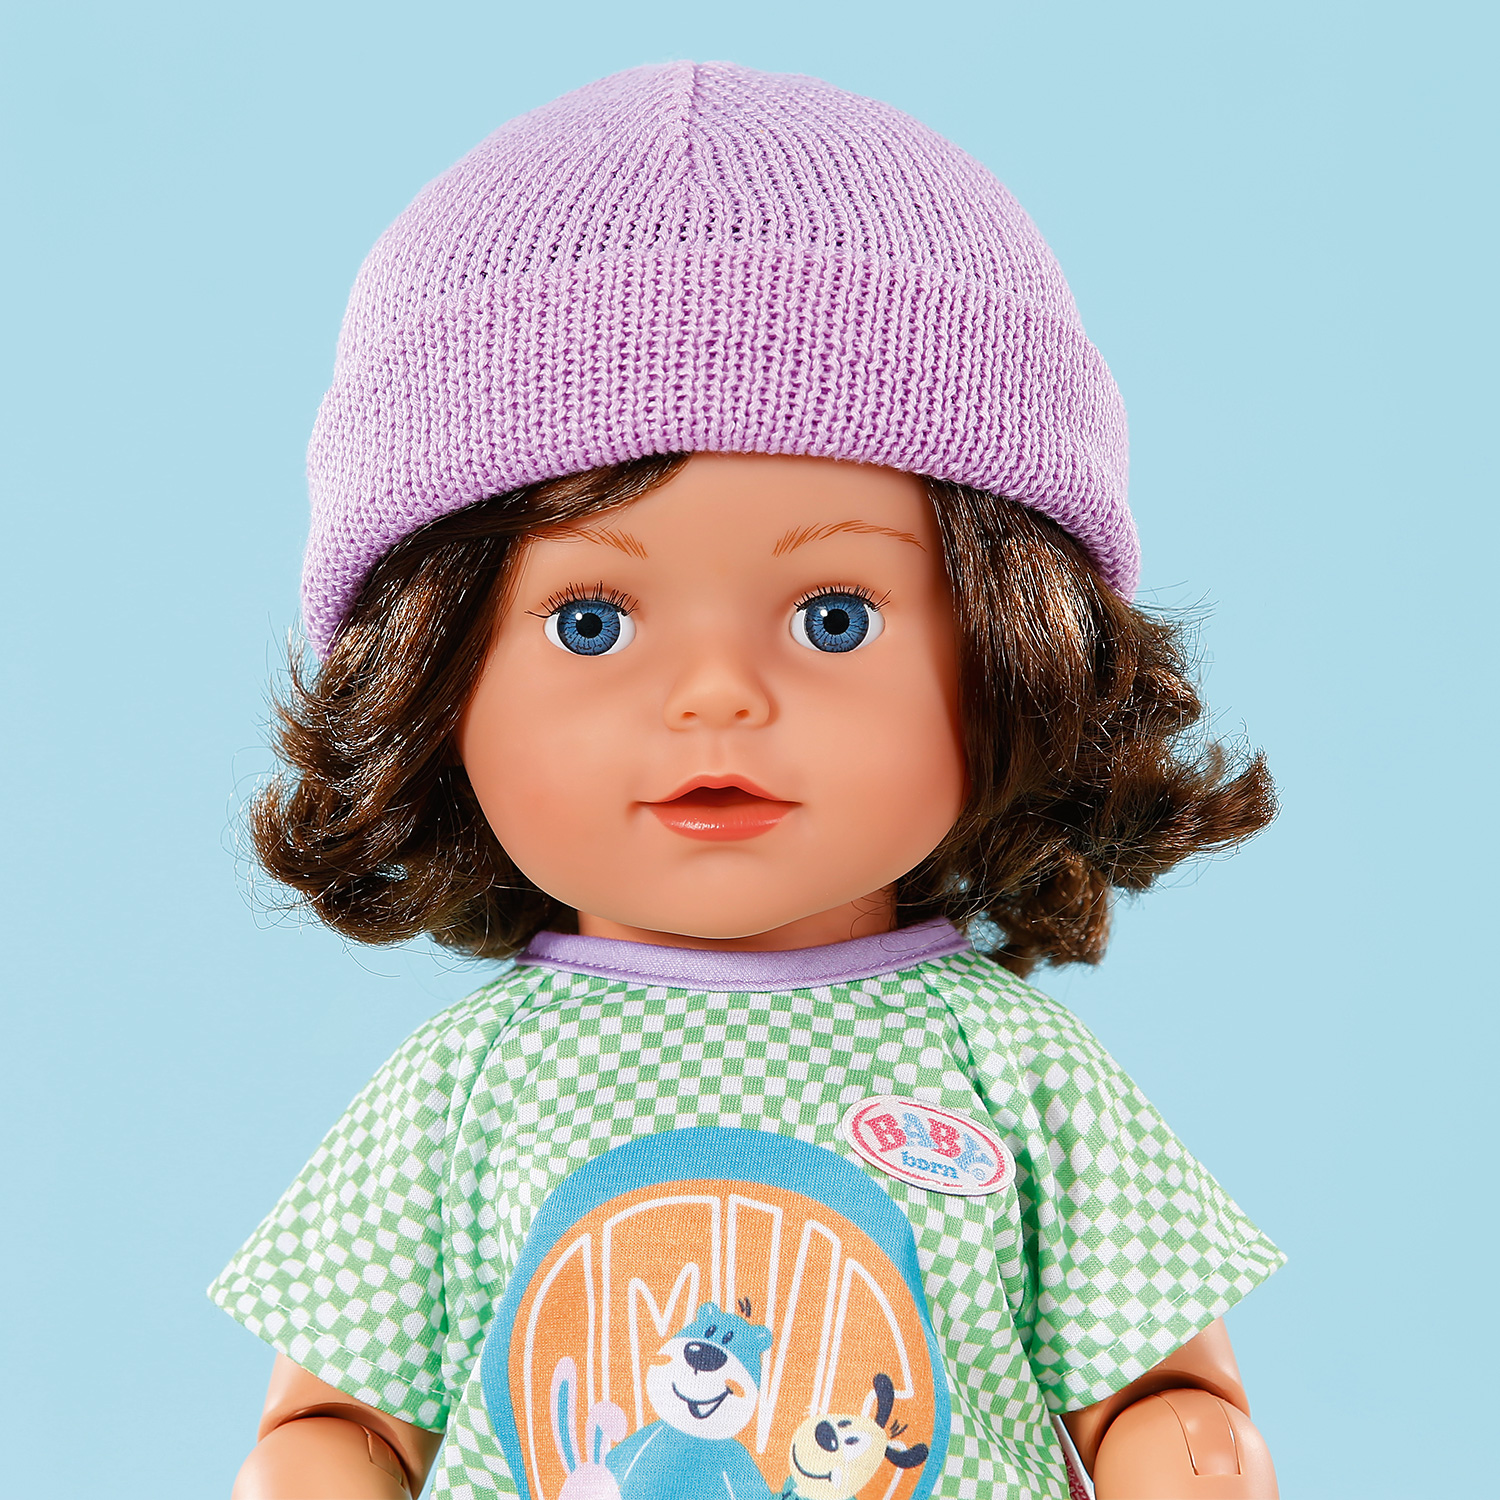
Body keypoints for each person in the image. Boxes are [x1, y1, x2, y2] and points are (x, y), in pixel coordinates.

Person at [213, 63, 1284, 1500]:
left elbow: (1158, 1389)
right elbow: (339, 1421)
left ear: (1018, 651)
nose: (716, 696)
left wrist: (1189, 1450)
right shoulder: (468, 1088)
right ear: (430, 680)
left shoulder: (1012, 1072)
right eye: (589, 623)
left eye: (835, 617)